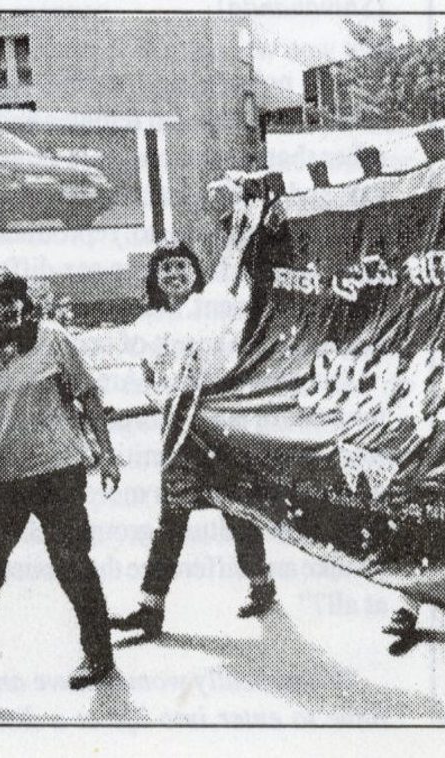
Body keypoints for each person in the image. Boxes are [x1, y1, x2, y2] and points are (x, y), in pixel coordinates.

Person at [0, 267, 121, 721]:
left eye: (15, 297)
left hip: (59, 472)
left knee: (72, 564)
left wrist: (108, 455)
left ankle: (99, 654)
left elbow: (88, 394)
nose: (11, 308)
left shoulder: (52, 339)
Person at [110, 190, 277, 641]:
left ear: (193, 271)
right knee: (171, 517)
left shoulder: (213, 304)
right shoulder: (148, 326)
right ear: (155, 278)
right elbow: (150, 379)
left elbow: (230, 266)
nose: (175, 273)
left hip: (218, 419)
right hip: (177, 427)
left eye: (182, 265)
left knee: (236, 509)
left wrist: (247, 219)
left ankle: (261, 583)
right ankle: (150, 608)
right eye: (166, 268)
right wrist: (164, 396)